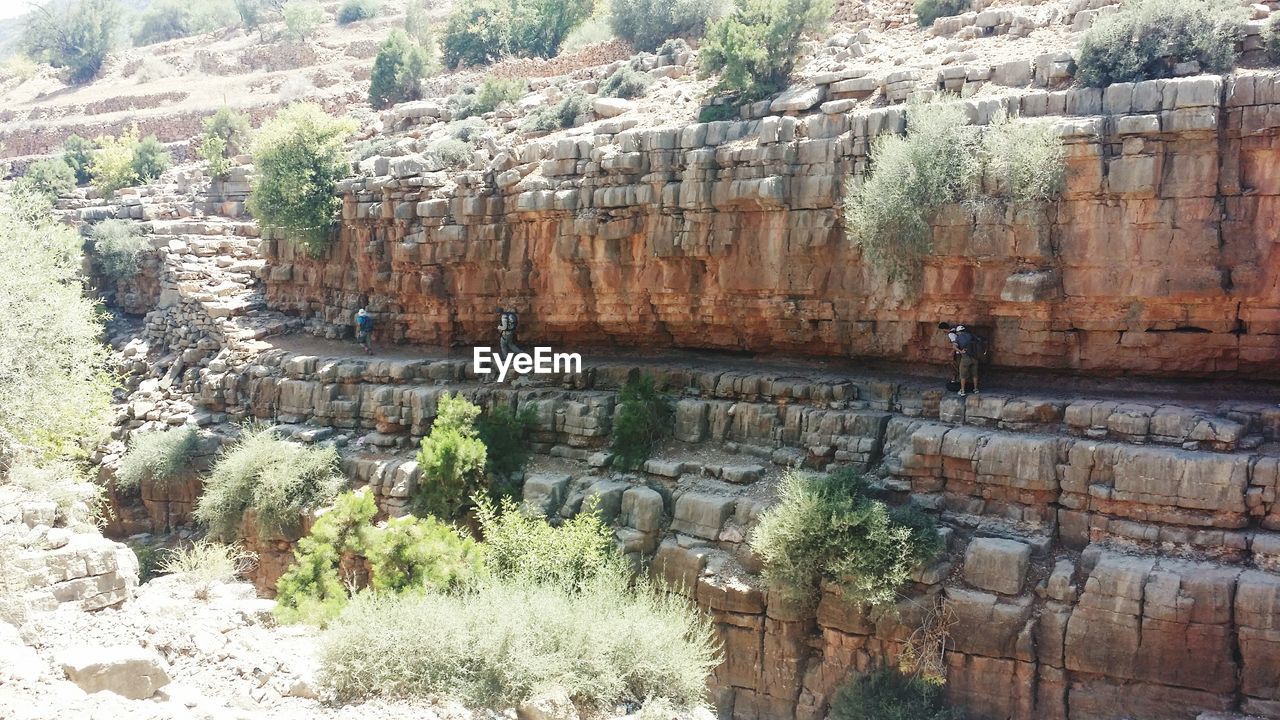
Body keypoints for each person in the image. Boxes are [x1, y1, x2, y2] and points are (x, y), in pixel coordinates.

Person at [938, 321, 980, 396]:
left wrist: (957, 352)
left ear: (943, 329)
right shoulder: (970, 335)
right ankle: (975, 389)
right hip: (974, 357)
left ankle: (962, 390)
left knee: (962, 373)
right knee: (974, 374)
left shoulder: (952, 335)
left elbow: (954, 346)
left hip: (964, 356)